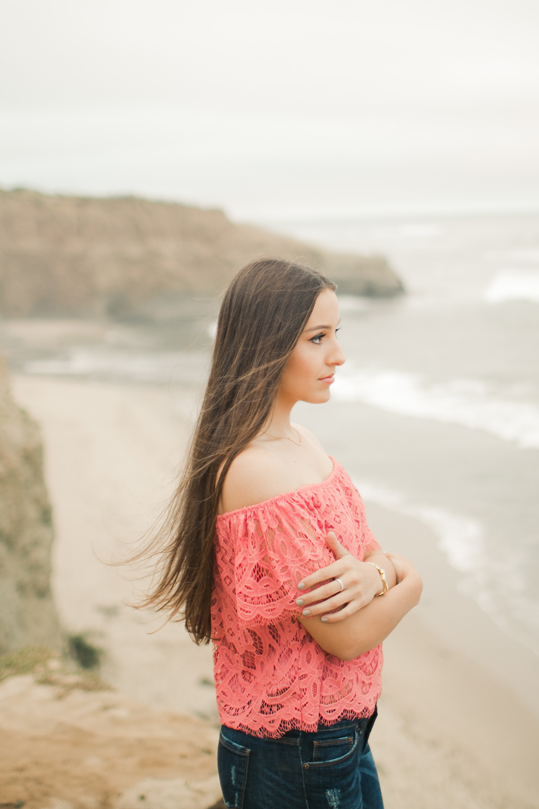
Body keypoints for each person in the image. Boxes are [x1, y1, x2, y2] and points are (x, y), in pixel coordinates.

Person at [136, 258, 423, 809]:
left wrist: (379, 573)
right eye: (317, 338)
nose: (337, 355)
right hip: (293, 747)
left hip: (342, 729)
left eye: (336, 334)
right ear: (268, 346)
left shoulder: (303, 444)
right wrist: (410, 582)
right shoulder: (258, 472)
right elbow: (342, 635)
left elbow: (368, 553)